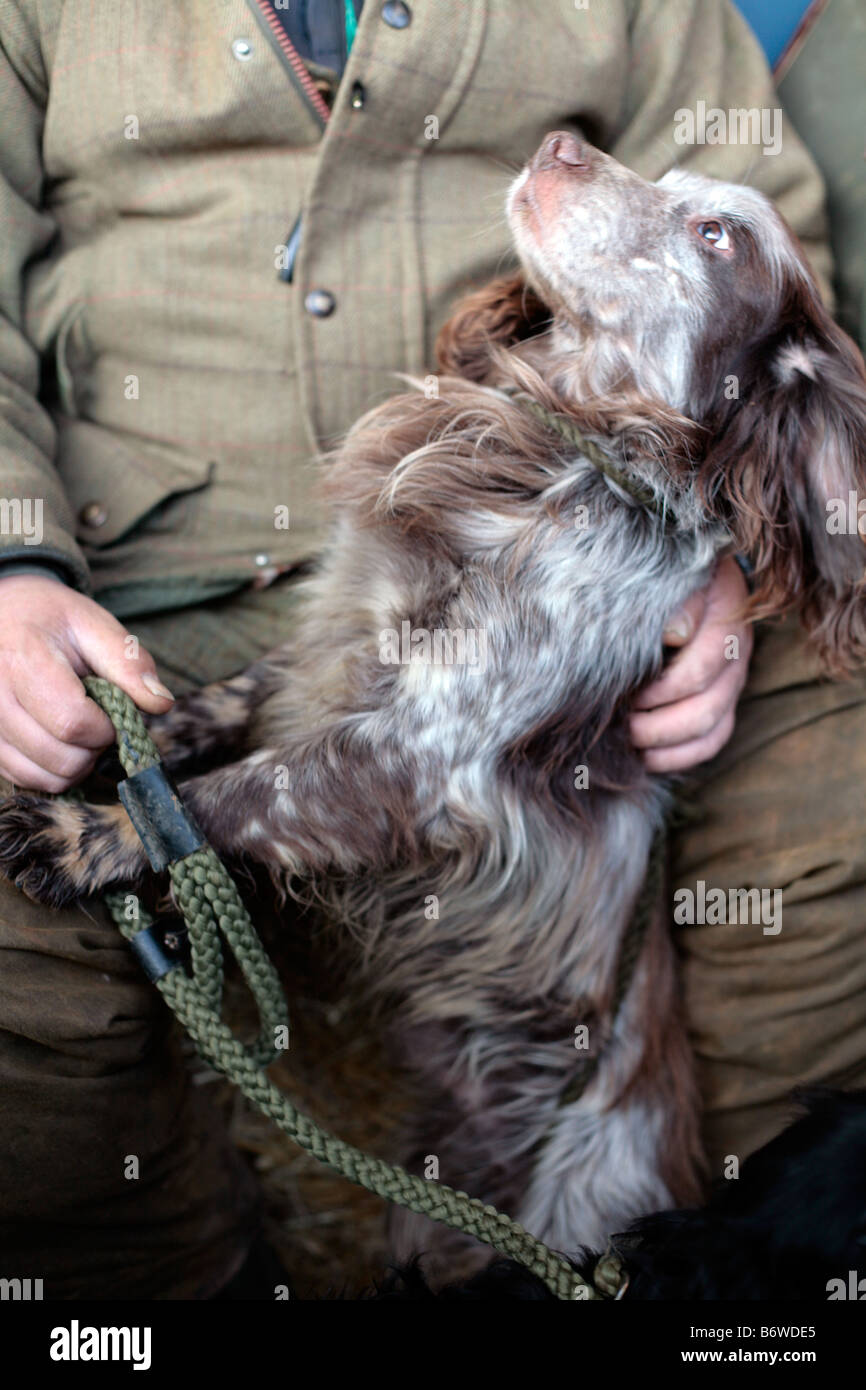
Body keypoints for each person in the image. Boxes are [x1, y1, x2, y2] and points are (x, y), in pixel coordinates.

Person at [0, 0, 860, 1298]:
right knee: (28, 940)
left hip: (586, 517)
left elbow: (766, 242)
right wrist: (14, 562)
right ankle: (144, 1294)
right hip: (135, 570)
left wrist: (728, 580)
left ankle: (742, 1281)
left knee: (827, 785)